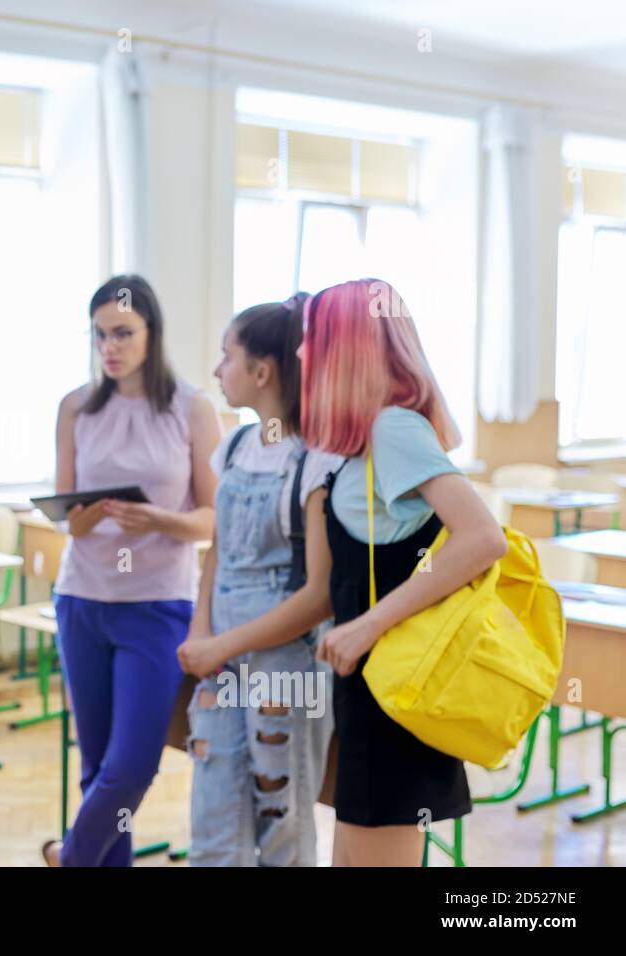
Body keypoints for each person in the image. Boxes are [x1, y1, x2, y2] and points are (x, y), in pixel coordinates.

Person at [301, 278, 507, 867]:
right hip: (371, 692)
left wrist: (366, 627)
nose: (300, 354)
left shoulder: (395, 429)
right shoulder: (368, 438)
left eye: (311, 340)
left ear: (344, 349)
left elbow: (482, 538)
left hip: (394, 692)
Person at [43, 274, 221, 867]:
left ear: (152, 333)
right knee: (95, 769)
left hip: (158, 605)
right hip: (82, 601)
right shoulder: (75, 407)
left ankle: (69, 858)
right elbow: (69, 517)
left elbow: (214, 520)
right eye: (99, 336)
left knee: (129, 769)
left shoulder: (192, 408)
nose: (109, 347)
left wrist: (157, 521)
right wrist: (86, 516)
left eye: (122, 333)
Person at [176, 295, 340, 866]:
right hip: (222, 663)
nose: (218, 371)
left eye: (227, 357)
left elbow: (318, 594)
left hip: (287, 671)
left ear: (262, 371)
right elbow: (217, 557)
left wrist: (221, 644)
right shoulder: (236, 448)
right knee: (213, 823)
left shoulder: (316, 460)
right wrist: (203, 639)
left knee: (284, 828)